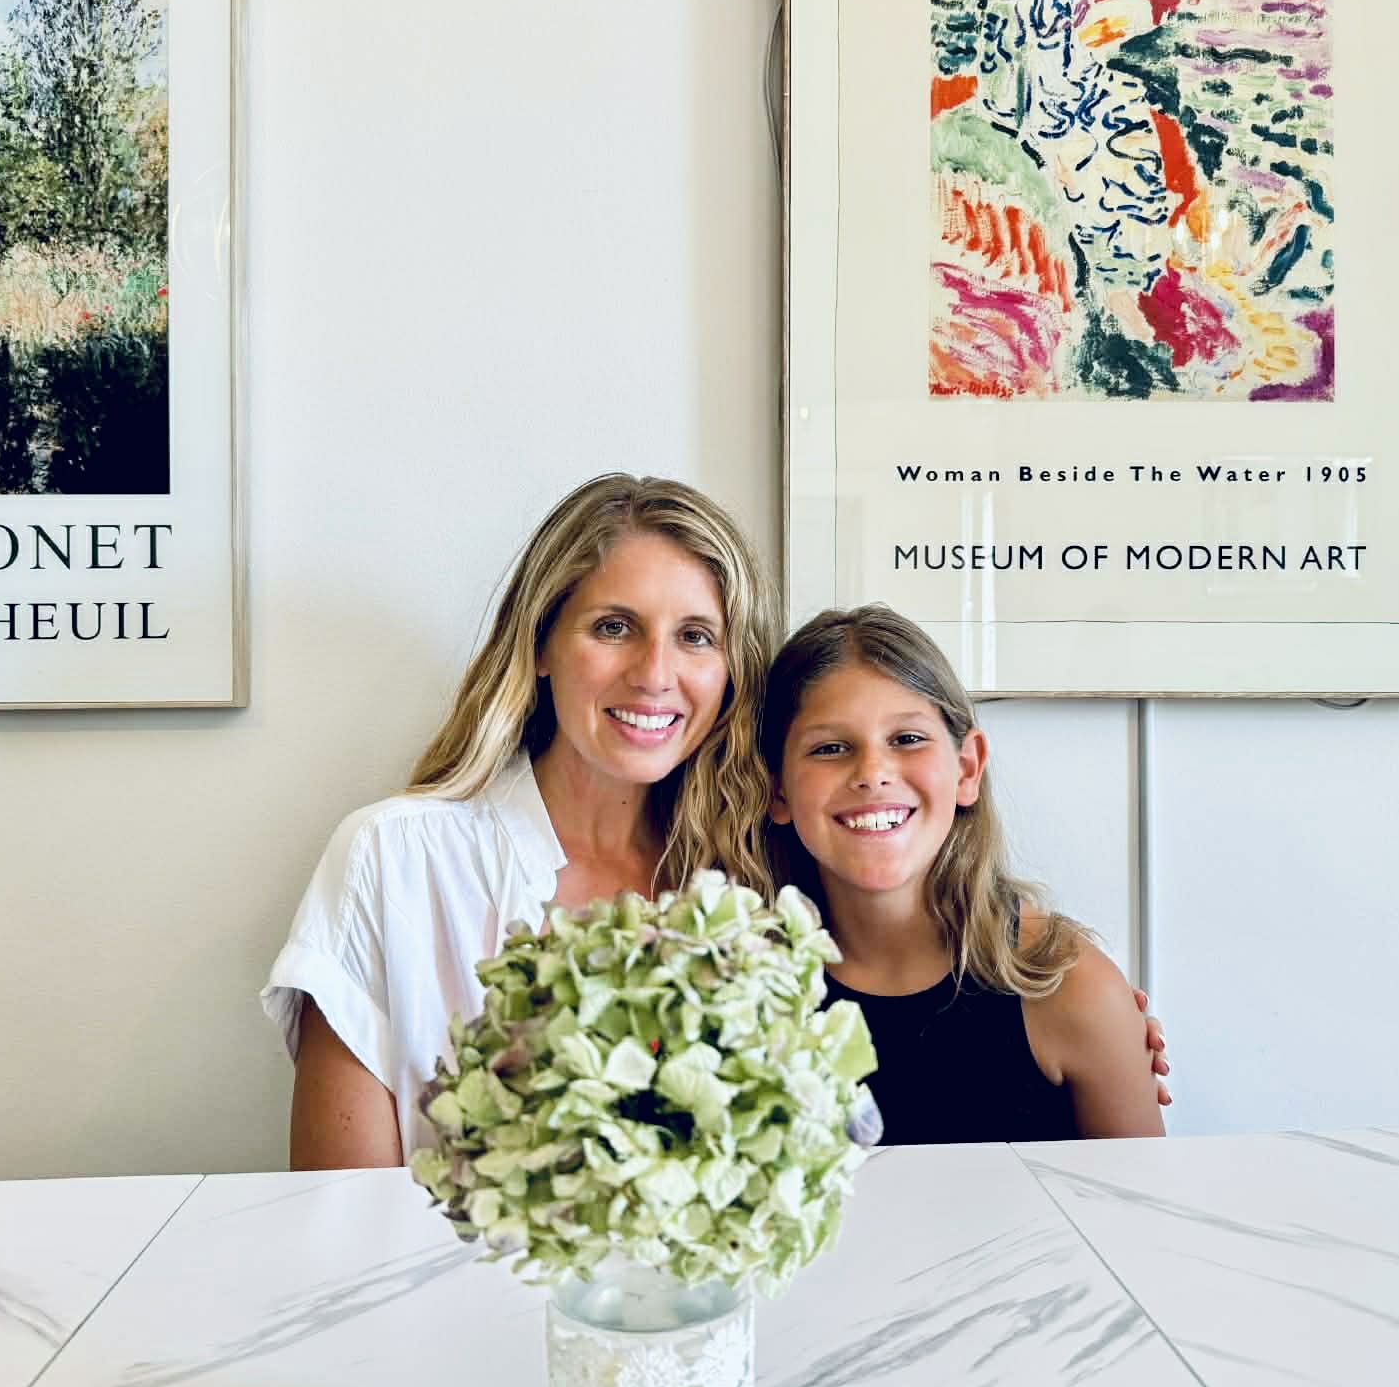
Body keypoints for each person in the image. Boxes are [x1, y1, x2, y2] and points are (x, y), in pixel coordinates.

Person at [263, 473, 1166, 1167]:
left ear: (731, 668)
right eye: (614, 627)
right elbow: (336, 1221)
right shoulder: (396, 859)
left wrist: (1099, 1025)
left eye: (696, 636)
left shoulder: (763, 887)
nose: (656, 675)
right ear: (540, 643)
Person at [762, 604, 1165, 1143]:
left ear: (968, 767)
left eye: (906, 739)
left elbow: (1137, 1219)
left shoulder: (1068, 986)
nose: (873, 774)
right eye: (830, 748)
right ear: (778, 789)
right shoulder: (739, 992)